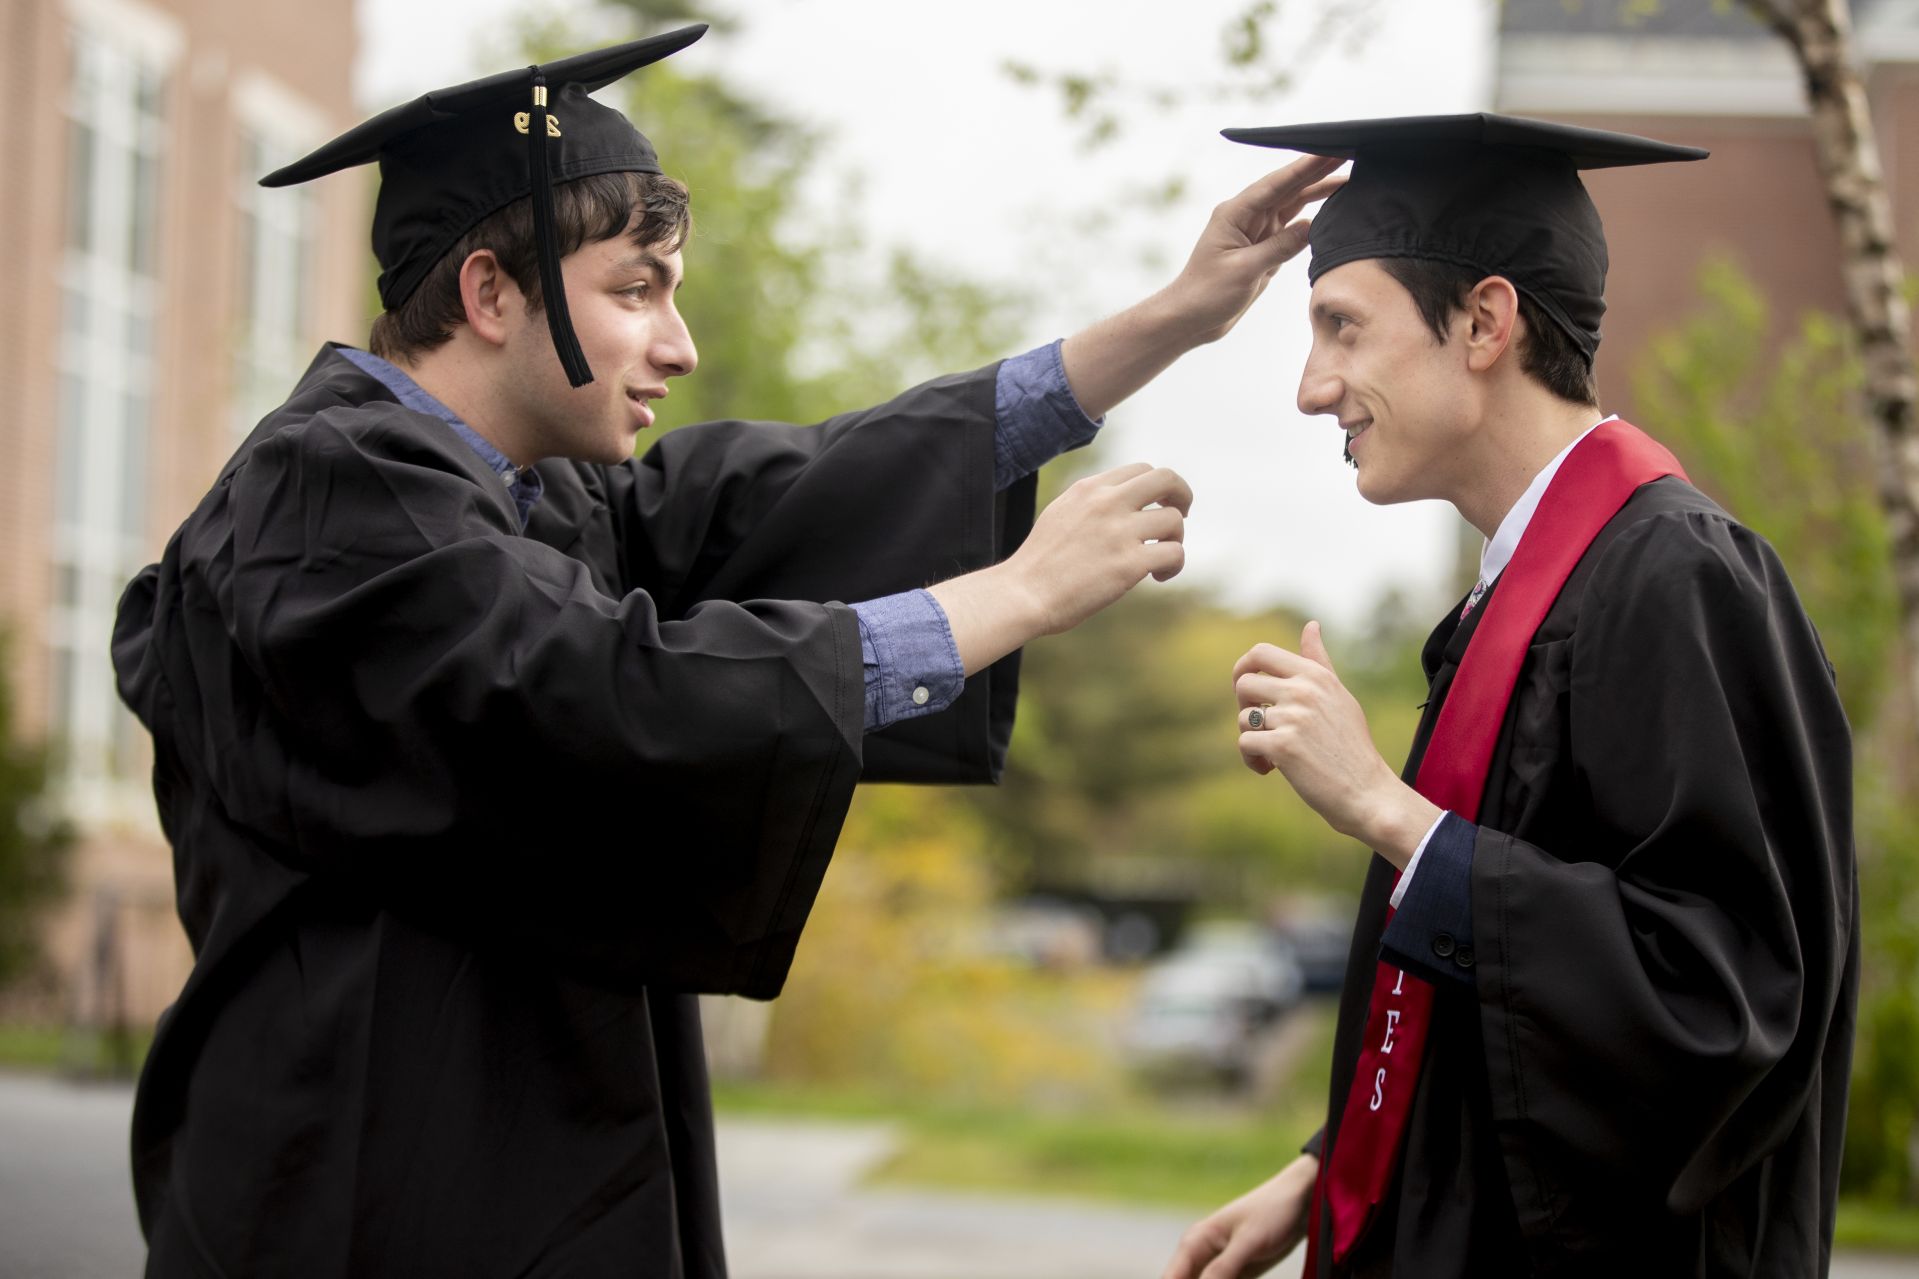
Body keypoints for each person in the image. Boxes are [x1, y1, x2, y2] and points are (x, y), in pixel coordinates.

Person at [110, 27, 1340, 1279]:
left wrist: (1173, 320)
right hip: (360, 1185)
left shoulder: (524, 499)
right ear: (488, 294)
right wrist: (1012, 593)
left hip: (494, 1164)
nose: (678, 343)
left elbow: (788, 494)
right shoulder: (328, 503)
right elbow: (599, 682)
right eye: (636, 289)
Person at [1163, 113, 1858, 1279]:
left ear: (1484, 321)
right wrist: (1329, 1163)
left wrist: (1390, 812)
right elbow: (1516, 994)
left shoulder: (1672, 582)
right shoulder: (1525, 594)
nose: (1308, 387)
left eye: (1341, 326)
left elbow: (1716, 1002)